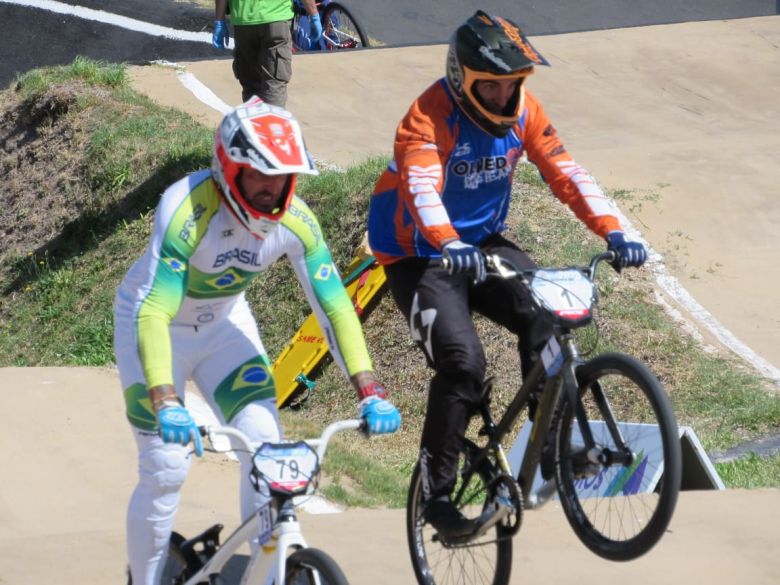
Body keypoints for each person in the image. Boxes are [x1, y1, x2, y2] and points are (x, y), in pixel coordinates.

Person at [367, 10, 646, 539]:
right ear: (460, 78)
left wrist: (616, 232)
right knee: (463, 364)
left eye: (511, 84)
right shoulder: (427, 117)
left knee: (549, 319)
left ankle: (551, 446)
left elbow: (565, 172)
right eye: (489, 86)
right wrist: (448, 242)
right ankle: (437, 494)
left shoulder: (526, 112)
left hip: (483, 244)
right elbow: (423, 189)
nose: (501, 96)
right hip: (417, 254)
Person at [115, 97, 401, 584]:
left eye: (282, 176)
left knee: (269, 453)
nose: (272, 189)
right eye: (259, 175)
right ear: (229, 168)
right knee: (166, 468)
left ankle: (266, 573)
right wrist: (166, 401)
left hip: (224, 326)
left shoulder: (297, 222)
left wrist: (370, 390)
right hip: (155, 328)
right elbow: (156, 309)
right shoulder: (185, 207)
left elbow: (334, 306)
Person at [212, 0, 323, 106]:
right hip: (277, 18)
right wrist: (313, 14)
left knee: (251, 86)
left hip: (244, 21)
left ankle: (254, 123)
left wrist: (219, 20)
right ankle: (272, 122)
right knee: (274, 84)